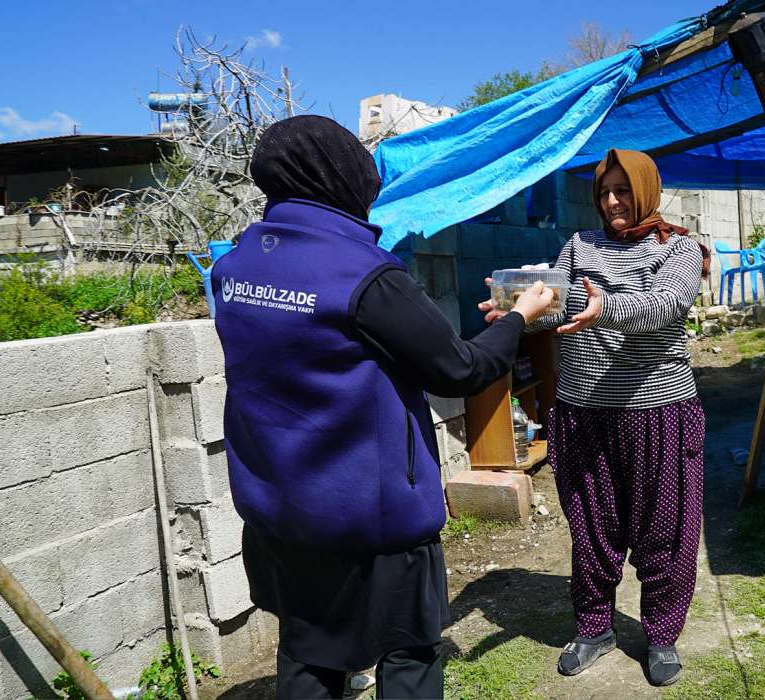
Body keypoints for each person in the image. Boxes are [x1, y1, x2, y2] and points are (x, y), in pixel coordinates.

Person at [212, 115, 554, 700]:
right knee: (411, 654)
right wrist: (521, 316)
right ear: (339, 178)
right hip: (371, 517)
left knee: (309, 648)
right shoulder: (363, 277)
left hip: (279, 507)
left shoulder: (237, 266)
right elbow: (461, 368)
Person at [482, 148, 709, 687]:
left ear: (646, 190)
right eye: (604, 192)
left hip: (657, 410)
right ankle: (594, 627)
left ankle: (661, 634)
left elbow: (666, 305)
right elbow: (554, 303)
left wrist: (604, 307)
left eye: (623, 190)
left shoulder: (679, 249)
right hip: (583, 412)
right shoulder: (578, 246)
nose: (612, 201)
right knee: (590, 526)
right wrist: (516, 311)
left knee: (667, 529)